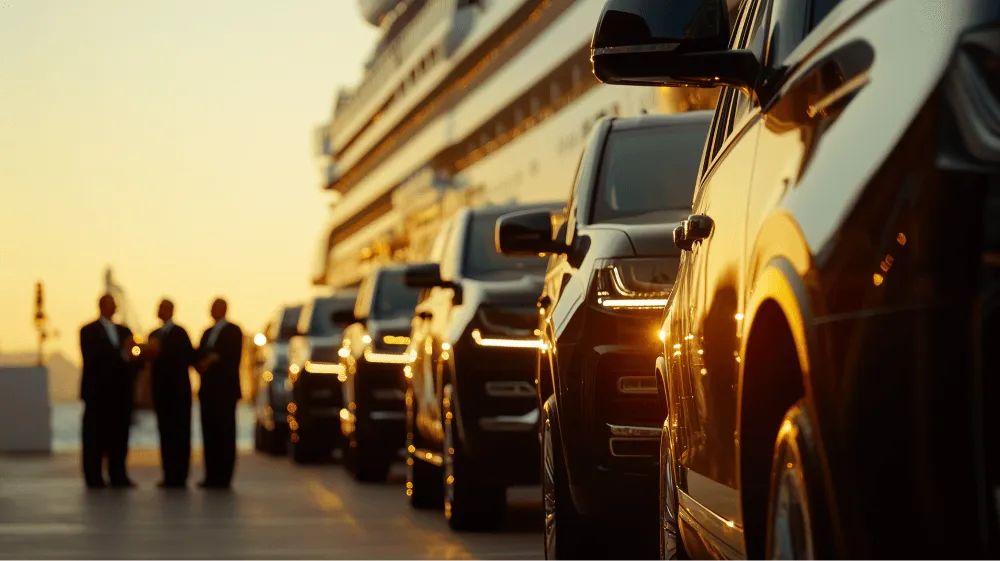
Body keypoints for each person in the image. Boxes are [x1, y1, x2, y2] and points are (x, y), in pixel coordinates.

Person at [79, 294, 139, 489]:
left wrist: (134, 357)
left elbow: (133, 358)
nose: (114, 308)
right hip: (98, 394)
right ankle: (94, 476)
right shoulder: (88, 331)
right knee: (94, 437)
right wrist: (121, 354)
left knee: (119, 437)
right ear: (101, 306)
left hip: (120, 395)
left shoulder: (124, 331)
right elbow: (94, 357)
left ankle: (118, 475)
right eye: (110, 304)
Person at [194, 298, 243, 489]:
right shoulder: (207, 332)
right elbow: (198, 357)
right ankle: (211, 475)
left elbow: (232, 357)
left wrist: (214, 359)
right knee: (209, 434)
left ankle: (224, 477)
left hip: (225, 393)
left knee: (225, 434)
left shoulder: (233, 330)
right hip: (208, 393)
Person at [147, 299, 194, 489]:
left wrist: (162, 352)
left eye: (162, 308)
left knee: (180, 433)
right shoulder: (153, 334)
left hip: (179, 394)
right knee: (165, 434)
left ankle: (180, 475)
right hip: (161, 393)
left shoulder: (180, 333)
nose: (159, 310)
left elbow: (188, 357)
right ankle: (168, 474)